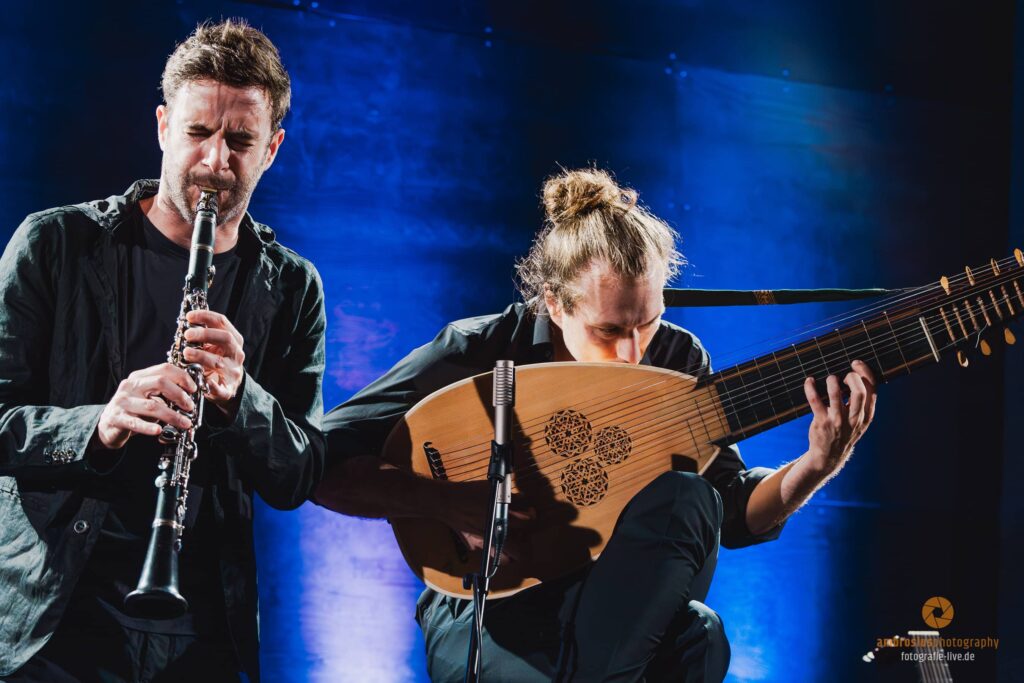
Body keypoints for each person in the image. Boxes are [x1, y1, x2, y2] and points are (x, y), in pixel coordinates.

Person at [316, 167, 877, 681]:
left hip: (615, 598)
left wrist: (816, 464)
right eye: (609, 330)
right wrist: (447, 504)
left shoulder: (677, 358)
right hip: (489, 607)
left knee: (697, 586)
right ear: (555, 303)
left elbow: (728, 513)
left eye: (648, 323)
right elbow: (319, 461)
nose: (634, 352)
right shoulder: (481, 349)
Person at [0, 19, 325, 682]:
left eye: (241, 140)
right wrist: (98, 424)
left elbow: (301, 473)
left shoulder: (294, 287)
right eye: (198, 132)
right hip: (56, 623)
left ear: (272, 148)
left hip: (202, 631)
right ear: (162, 127)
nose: (215, 162)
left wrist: (242, 398)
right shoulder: (55, 244)